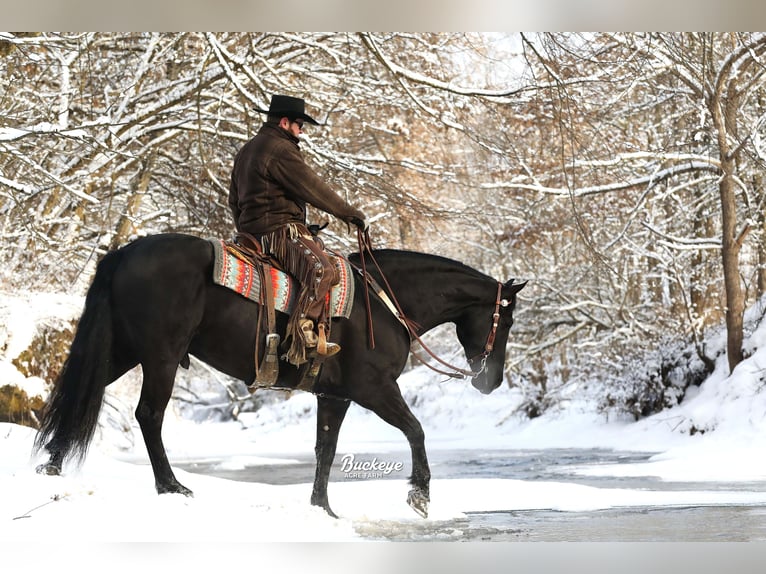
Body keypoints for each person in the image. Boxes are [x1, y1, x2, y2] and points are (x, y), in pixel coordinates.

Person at [229, 94, 366, 366]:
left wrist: (246, 229)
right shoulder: (279, 149)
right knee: (324, 270)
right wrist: (350, 214)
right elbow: (313, 187)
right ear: (284, 122)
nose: (301, 130)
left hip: (252, 234)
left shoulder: (247, 150)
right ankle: (302, 334)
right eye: (299, 124)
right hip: (278, 233)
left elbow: (233, 200)